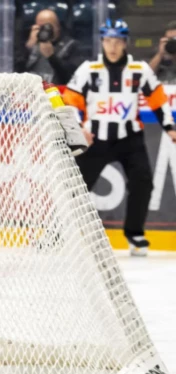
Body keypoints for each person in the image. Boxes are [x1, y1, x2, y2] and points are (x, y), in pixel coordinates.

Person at [64, 19, 176, 256]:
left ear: (125, 42)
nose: (112, 46)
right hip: (94, 138)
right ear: (102, 41)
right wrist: (77, 128)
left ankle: (135, 233)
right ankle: (60, 232)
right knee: (76, 187)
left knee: (143, 183)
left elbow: (157, 100)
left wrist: (169, 126)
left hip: (130, 139)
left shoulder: (140, 70)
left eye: (117, 41)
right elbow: (71, 101)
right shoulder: (88, 70)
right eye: (108, 40)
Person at [16, 9, 80, 86]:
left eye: (48, 26)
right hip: (31, 92)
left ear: (57, 27)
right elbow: (15, 73)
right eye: (40, 27)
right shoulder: (28, 43)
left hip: (57, 93)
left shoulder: (71, 45)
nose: (44, 31)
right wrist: (27, 48)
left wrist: (52, 57)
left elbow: (71, 78)